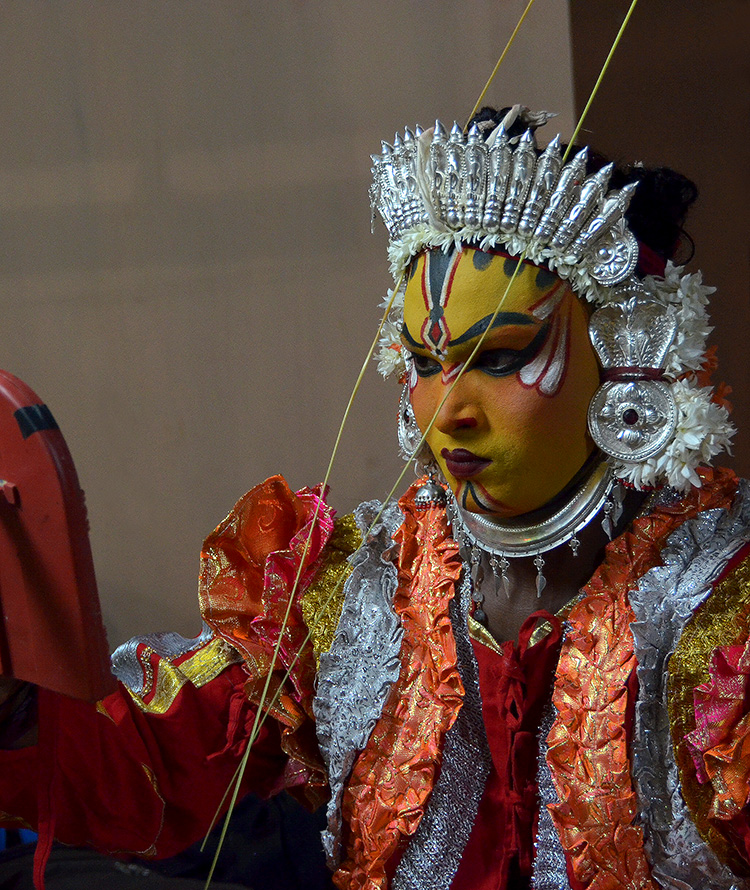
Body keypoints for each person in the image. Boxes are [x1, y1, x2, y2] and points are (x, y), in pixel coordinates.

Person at [1, 104, 748, 890]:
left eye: (498, 357)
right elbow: (147, 768)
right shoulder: (351, 585)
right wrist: (14, 694)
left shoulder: (716, 613)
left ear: (622, 351)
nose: (449, 408)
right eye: (426, 362)